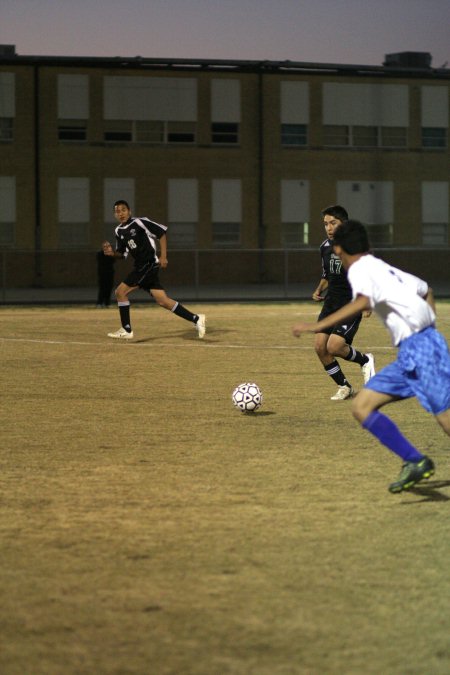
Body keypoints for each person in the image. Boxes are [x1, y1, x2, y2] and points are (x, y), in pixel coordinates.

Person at [293, 219, 450, 494]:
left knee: (445, 416)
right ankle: (415, 461)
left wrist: (317, 326)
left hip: (423, 350)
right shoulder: (381, 267)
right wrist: (428, 329)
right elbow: (426, 290)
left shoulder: (359, 269)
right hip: (413, 352)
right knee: (362, 406)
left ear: (340, 249)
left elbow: (363, 302)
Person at [102, 200, 206, 339]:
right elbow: (122, 253)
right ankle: (196, 319)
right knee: (163, 301)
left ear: (129, 211)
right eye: (117, 211)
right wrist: (112, 254)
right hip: (140, 267)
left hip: (149, 264)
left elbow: (161, 233)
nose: (121, 213)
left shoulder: (139, 222)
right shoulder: (118, 231)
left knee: (120, 292)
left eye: (123, 210)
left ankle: (126, 330)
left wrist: (163, 256)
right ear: (115, 214)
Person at [312, 205, 375, 400]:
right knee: (320, 347)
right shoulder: (324, 247)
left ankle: (365, 360)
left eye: (333, 223)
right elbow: (327, 274)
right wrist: (319, 288)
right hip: (331, 303)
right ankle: (345, 386)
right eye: (325, 224)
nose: (329, 228)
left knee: (335, 346)